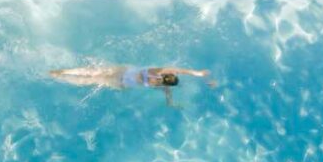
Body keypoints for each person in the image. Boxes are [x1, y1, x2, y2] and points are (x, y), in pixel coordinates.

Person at [47, 63, 212, 106]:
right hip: (122, 83)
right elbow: (168, 97)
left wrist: (198, 73)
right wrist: (173, 104)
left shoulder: (158, 71)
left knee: (92, 72)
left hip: (123, 72)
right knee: (91, 80)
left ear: (168, 75)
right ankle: (60, 77)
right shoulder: (161, 85)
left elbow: (180, 70)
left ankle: (60, 72)